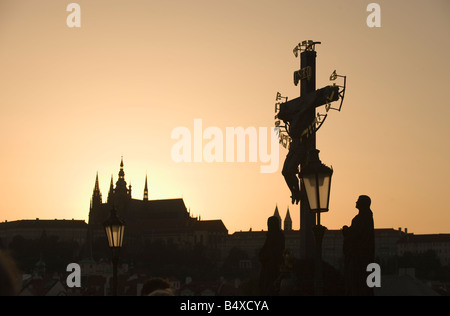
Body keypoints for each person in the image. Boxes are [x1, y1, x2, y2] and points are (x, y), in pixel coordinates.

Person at [342, 195, 375, 296]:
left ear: (363, 204)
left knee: (357, 283)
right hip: (359, 257)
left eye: (358, 201)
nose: (356, 202)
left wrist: (346, 230)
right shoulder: (365, 217)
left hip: (359, 258)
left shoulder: (362, 218)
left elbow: (357, 235)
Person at [259, 216, 285, 295]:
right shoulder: (275, 235)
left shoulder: (274, 236)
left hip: (272, 267)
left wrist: (263, 256)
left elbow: (273, 251)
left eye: (269, 224)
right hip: (270, 265)